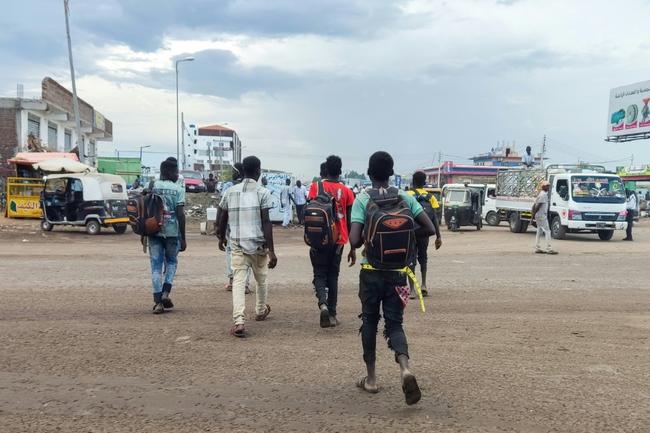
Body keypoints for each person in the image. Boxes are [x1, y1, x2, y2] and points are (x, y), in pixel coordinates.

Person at [349, 151, 436, 406]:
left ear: (369, 172)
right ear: (391, 172)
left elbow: (354, 240)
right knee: (395, 324)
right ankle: (405, 369)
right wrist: (406, 232)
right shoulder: (406, 197)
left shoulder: (363, 199)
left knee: (369, 322)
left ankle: (372, 379)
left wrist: (370, 236)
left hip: (371, 273)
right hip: (399, 273)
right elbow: (428, 228)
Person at [217, 156, 277, 338]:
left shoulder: (230, 192)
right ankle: (260, 310)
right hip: (258, 245)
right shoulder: (263, 192)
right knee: (261, 279)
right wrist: (272, 251)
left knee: (239, 281)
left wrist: (220, 236)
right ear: (258, 171)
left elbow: (222, 215)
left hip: (237, 244)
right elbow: (266, 221)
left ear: (243, 171)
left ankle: (239, 321)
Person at [307, 155, 356, 327]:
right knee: (333, 275)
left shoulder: (315, 187)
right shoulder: (348, 191)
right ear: (340, 170)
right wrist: (353, 246)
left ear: (326, 169)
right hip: (339, 239)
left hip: (318, 238)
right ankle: (333, 314)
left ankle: (323, 304)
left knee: (319, 273)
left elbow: (309, 211)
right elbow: (350, 220)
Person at [149, 158, 187, 314]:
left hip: (153, 230)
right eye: (176, 171)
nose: (178, 174)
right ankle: (166, 292)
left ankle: (158, 302)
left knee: (156, 266)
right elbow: (180, 214)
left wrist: (143, 234)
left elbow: (147, 210)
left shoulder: (152, 186)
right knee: (172, 262)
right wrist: (183, 237)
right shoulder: (178, 189)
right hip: (172, 232)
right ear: (170, 172)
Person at [406, 171, 442, 299]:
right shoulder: (430, 197)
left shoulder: (407, 195)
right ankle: (424, 285)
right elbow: (435, 219)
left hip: (410, 233)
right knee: (423, 257)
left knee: (410, 259)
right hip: (424, 233)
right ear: (424, 182)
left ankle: (411, 290)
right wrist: (438, 236)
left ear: (413, 182)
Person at [218, 163, 251, 293]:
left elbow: (221, 209)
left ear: (239, 172)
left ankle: (232, 281)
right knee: (247, 254)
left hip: (231, 227)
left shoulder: (228, 187)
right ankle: (245, 284)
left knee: (231, 253)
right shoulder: (251, 187)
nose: (232, 173)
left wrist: (219, 228)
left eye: (234, 171)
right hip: (247, 226)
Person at [532, 180, 557, 254]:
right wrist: (533, 216)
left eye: (548, 186)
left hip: (539, 215)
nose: (548, 187)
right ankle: (548, 249)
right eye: (547, 186)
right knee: (547, 231)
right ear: (543, 187)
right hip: (542, 215)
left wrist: (533, 216)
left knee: (539, 231)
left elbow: (534, 206)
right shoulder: (543, 195)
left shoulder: (540, 194)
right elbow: (537, 207)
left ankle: (537, 247)